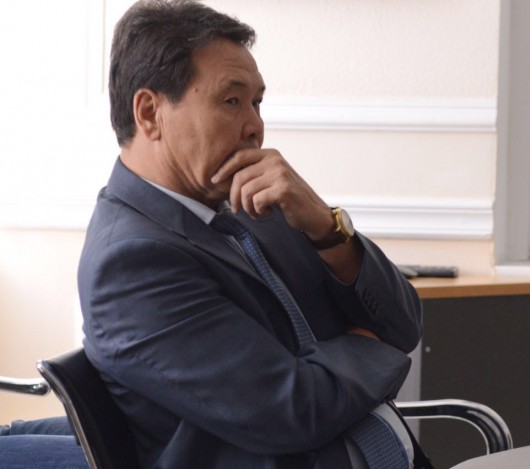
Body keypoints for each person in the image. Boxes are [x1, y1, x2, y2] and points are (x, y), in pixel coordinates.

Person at [64, 0, 421, 468]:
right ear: (150, 113)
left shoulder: (255, 202)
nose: (255, 127)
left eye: (257, 103)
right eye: (232, 101)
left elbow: (403, 324)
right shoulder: (129, 263)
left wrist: (326, 226)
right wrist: (370, 345)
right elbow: (294, 409)